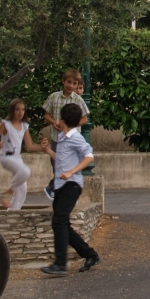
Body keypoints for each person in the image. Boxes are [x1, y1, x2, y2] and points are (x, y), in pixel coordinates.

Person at [39, 102, 100, 276]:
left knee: (59, 221)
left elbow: (89, 157)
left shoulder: (75, 137)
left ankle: (60, 264)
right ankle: (90, 255)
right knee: (61, 223)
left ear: (62, 119)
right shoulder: (63, 138)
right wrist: (48, 151)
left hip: (71, 185)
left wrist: (72, 171)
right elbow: (61, 159)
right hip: (61, 185)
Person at [42, 69, 88, 200]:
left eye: (74, 83)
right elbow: (46, 114)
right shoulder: (54, 97)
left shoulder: (78, 100)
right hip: (57, 137)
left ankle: (57, 189)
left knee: (71, 164)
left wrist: (72, 124)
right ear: (63, 81)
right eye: (69, 82)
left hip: (72, 138)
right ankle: (55, 189)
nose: (71, 86)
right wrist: (54, 122)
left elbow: (85, 118)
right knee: (57, 164)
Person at [0, 99, 41, 211]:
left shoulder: (24, 126)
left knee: (23, 189)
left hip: (17, 159)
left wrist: (43, 148)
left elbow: (30, 146)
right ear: (12, 111)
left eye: (22, 110)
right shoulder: (5, 124)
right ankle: (9, 191)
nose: (20, 112)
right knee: (26, 171)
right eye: (17, 109)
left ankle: (12, 211)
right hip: (6, 157)